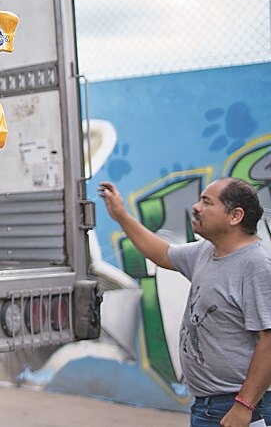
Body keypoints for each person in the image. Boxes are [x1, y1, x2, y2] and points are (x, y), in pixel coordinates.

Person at [99, 179, 271, 427]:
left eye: (207, 202)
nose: (196, 207)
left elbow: (268, 340)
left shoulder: (255, 266)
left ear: (235, 216)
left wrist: (244, 406)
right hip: (208, 406)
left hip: (238, 406)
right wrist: (121, 216)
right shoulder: (206, 251)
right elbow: (162, 253)